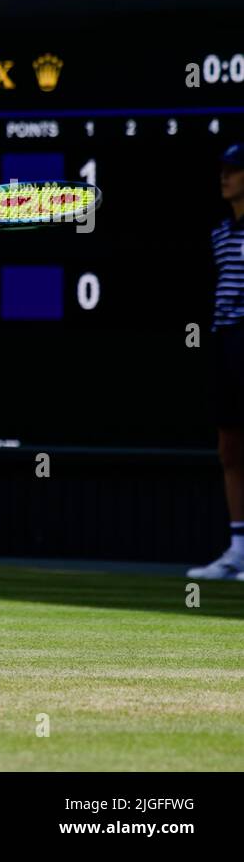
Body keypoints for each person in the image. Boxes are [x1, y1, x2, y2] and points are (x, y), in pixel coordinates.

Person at [193, 143, 244, 581]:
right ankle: (238, 549)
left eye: (235, 170)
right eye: (224, 169)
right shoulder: (219, 233)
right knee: (229, 446)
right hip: (226, 340)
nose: (225, 176)